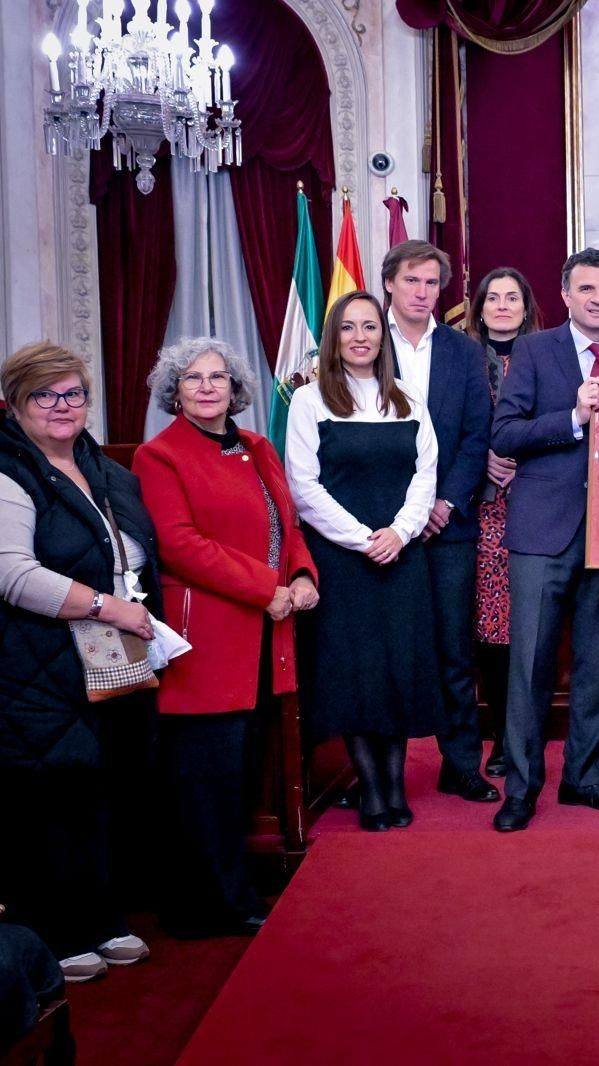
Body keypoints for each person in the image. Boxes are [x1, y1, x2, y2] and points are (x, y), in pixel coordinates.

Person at [133, 337, 319, 937]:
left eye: (219, 377)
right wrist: (269, 586)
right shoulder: (159, 456)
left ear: (236, 389)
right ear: (175, 392)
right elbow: (180, 544)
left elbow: (284, 523)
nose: (209, 387)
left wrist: (301, 574)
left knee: (238, 777)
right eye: (194, 378)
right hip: (206, 641)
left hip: (268, 636)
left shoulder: (257, 445)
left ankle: (233, 894)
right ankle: (206, 908)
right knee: (201, 782)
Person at [0, 342, 159, 981]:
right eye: (46, 395)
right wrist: (108, 607)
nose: (63, 407)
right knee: (47, 797)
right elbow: (11, 573)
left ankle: (102, 920)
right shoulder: (11, 470)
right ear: (15, 404)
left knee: (98, 789)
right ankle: (53, 935)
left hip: (102, 661)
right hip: (35, 662)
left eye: (74, 394)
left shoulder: (99, 465)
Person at [489, 248, 599, 831]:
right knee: (530, 666)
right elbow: (505, 433)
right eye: (586, 289)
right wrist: (571, 418)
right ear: (564, 295)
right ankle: (521, 788)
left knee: (598, 665)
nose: (597, 299)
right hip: (542, 531)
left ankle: (584, 779)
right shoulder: (535, 351)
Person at [286, 291, 443, 832]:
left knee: (398, 669)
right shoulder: (310, 402)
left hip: (401, 555)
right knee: (355, 674)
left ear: (383, 335)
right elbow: (303, 488)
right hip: (344, 558)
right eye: (348, 327)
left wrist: (399, 533)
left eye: (370, 327)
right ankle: (372, 791)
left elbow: (426, 475)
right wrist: (362, 539)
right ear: (334, 338)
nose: (360, 337)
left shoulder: (406, 399)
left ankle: (396, 786)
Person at [382, 239, 497, 806]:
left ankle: (461, 765)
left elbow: (478, 434)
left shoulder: (463, 350)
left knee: (454, 650)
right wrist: (402, 515)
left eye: (432, 283)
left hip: (448, 526)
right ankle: (386, 775)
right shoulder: (362, 342)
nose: (423, 293)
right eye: (412, 281)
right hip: (380, 530)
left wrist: (446, 501)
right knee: (392, 650)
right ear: (389, 284)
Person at [467, 267, 537, 779]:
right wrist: (483, 461)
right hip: (479, 509)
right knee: (491, 630)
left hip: (536, 501)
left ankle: (525, 732)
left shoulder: (547, 355)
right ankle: (498, 736)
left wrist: (519, 454)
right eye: (494, 297)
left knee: (529, 627)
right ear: (480, 306)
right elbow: (442, 426)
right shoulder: (462, 358)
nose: (503, 305)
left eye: (512, 297)